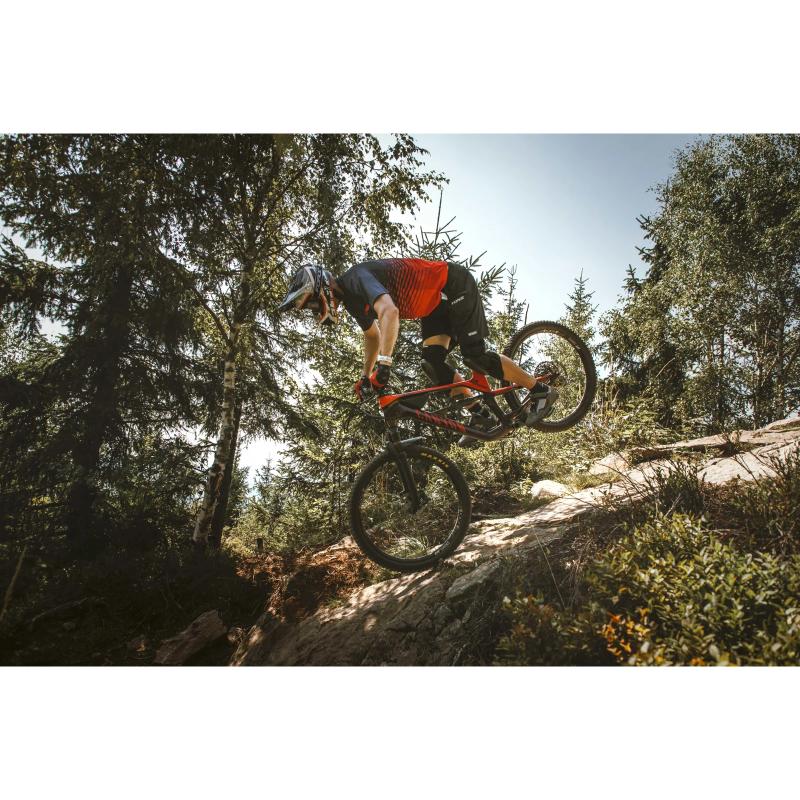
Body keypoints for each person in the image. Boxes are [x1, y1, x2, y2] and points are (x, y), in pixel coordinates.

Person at [277, 258, 558, 444]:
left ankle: (539, 390)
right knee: (432, 362)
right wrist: (365, 375)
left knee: (475, 355)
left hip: (453, 285)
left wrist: (384, 364)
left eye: (311, 303)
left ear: (322, 287)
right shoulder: (351, 300)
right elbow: (372, 336)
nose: (315, 311)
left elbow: (389, 312)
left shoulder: (356, 278)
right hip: (435, 307)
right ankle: (480, 414)